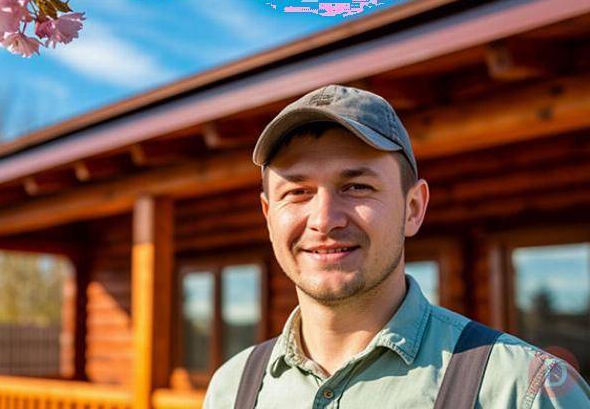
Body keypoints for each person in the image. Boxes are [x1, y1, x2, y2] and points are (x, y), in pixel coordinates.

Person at [202, 85, 590, 408]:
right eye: (298, 192)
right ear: (269, 215)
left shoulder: (521, 389)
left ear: (413, 208)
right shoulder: (230, 389)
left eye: (357, 187)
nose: (324, 218)